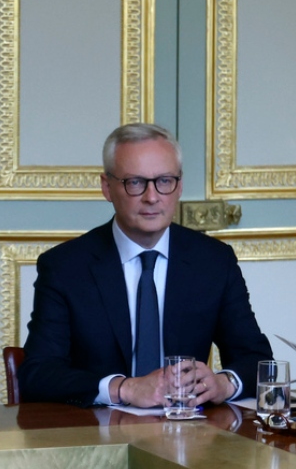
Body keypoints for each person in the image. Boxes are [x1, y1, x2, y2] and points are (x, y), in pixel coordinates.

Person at [18, 123, 273, 407]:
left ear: (179, 186)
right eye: (135, 182)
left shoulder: (213, 261)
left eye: (164, 181)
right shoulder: (65, 267)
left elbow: (257, 360)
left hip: (188, 435)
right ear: (107, 187)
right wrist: (124, 389)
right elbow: (38, 374)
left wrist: (224, 384)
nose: (152, 197)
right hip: (98, 436)